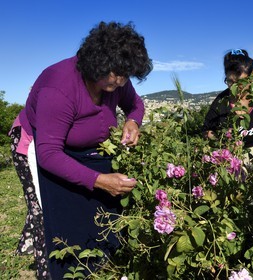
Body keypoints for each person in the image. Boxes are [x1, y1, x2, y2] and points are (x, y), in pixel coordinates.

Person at [9, 21, 152, 279]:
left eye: (126, 75)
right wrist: (97, 180)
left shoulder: (117, 80)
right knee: (49, 215)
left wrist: (133, 120)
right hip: (35, 145)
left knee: (91, 205)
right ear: (96, 61)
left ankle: (98, 263)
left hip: (79, 148)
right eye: (116, 74)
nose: (121, 81)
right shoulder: (60, 87)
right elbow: (49, 154)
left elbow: (135, 104)